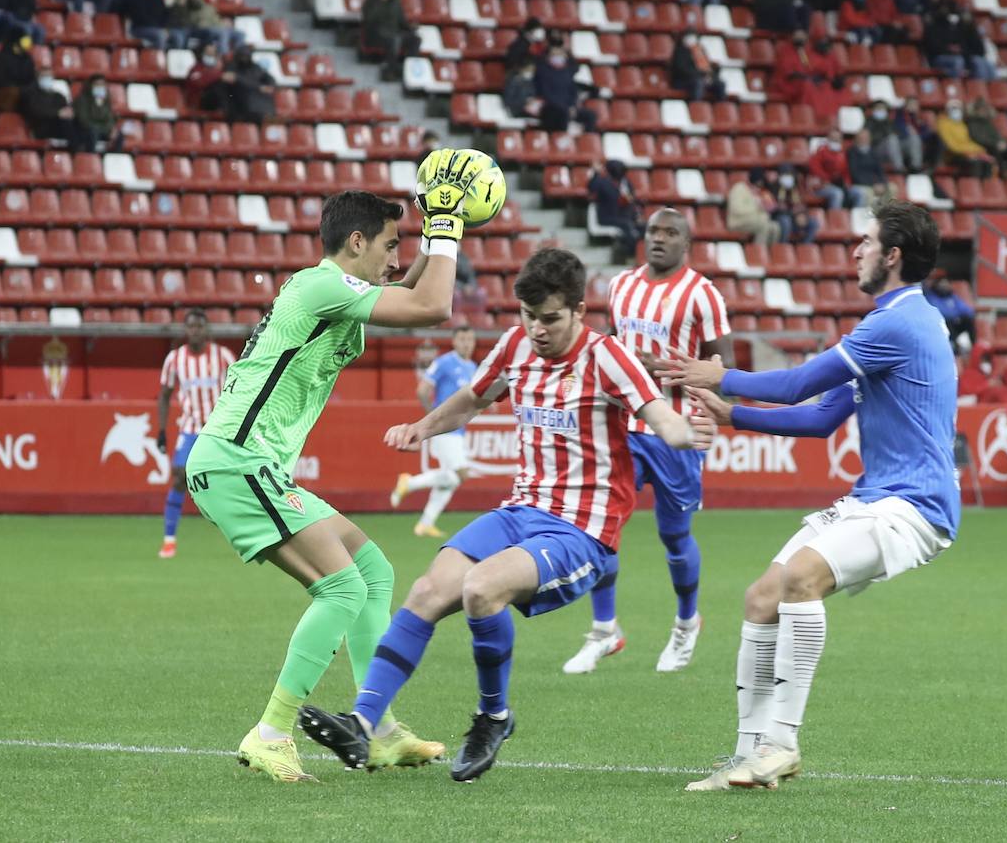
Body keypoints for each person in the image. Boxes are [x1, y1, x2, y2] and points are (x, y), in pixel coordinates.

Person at [298, 247, 716, 782]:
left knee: (479, 589)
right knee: (427, 591)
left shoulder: (608, 357)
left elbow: (661, 417)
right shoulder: (515, 346)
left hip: (580, 528)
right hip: (520, 510)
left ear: (579, 312)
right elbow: (472, 400)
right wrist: (419, 428)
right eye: (528, 316)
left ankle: (493, 717)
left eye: (550, 319)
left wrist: (690, 434)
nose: (537, 330)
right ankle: (362, 721)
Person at [662, 199, 959, 792]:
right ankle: (749, 756)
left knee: (800, 579)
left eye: (867, 242)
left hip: (914, 506)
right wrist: (734, 415)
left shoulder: (897, 323)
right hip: (876, 496)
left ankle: (781, 744)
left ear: (893, 256)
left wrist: (718, 375)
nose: (856, 250)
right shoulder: (896, 325)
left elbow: (800, 383)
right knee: (762, 597)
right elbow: (822, 417)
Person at [185, 169, 468, 781]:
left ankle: (379, 727)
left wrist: (446, 231)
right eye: (392, 245)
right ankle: (270, 732)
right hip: (238, 459)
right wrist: (443, 226)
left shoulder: (330, 289)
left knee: (373, 570)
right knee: (340, 587)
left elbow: (414, 285)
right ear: (358, 243)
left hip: (248, 463)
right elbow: (432, 305)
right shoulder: (322, 288)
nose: (399, 259)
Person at [563, 209, 732, 675]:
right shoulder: (622, 287)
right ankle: (604, 630)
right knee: (600, 528)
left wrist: (663, 372)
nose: (659, 239)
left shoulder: (703, 295)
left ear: (686, 244)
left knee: (674, 538)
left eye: (670, 233)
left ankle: (685, 622)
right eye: (653, 231)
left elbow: (724, 370)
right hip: (625, 428)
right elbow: (611, 351)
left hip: (677, 433)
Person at [154, 309, 235, 559]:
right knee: (180, 475)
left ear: (207, 329)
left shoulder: (222, 356)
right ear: (186, 330)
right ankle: (169, 539)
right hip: (189, 427)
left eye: (200, 326)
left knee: (232, 481)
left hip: (219, 428)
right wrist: (161, 430)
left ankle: (239, 534)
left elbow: (239, 388)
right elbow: (165, 395)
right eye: (191, 326)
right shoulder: (174, 359)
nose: (196, 331)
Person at [391, 325, 478, 538]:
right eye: (462, 339)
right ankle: (409, 482)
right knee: (461, 474)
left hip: (459, 429)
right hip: (445, 430)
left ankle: (425, 523)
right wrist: (433, 418)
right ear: (455, 341)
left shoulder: (473, 367)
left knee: (451, 479)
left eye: (470, 339)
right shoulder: (445, 362)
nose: (467, 343)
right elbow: (422, 389)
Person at [534, 38, 598, 133]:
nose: (558, 57)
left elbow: (573, 90)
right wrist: (565, 108)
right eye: (554, 55)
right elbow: (546, 94)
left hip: (568, 108)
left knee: (591, 115)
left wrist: (572, 106)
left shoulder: (567, 72)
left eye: (560, 54)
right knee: (562, 114)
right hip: (552, 109)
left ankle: (586, 142)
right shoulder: (543, 73)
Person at [20, 67, 91, 150]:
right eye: (44, 76)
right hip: (42, 127)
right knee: (65, 123)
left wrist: (69, 113)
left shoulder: (58, 96)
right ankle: (77, 148)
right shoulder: (32, 95)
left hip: (60, 127)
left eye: (49, 76)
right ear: (38, 78)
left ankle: (86, 151)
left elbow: (66, 109)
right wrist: (57, 113)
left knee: (80, 124)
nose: (47, 79)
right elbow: (36, 111)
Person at [360, 0, 418, 74]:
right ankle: (392, 68)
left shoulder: (395, 4)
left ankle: (409, 67)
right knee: (394, 39)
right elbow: (368, 20)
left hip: (393, 34)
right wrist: (379, 3)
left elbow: (402, 22)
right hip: (376, 36)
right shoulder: (371, 3)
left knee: (415, 39)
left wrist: (411, 28)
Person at [588, 160, 643, 264]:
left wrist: (636, 213)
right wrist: (595, 173)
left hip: (625, 216)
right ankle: (629, 255)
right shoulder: (602, 182)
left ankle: (642, 253)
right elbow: (591, 187)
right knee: (627, 225)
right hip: (607, 217)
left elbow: (633, 199)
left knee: (644, 226)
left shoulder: (626, 183)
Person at [808, 130, 866, 210]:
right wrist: (826, 180)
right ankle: (836, 220)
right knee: (837, 193)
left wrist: (847, 184)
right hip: (821, 186)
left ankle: (857, 218)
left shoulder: (842, 153)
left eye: (837, 139)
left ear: (841, 140)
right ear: (828, 139)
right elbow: (815, 169)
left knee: (859, 193)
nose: (835, 141)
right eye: (833, 138)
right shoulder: (820, 152)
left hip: (840, 185)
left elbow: (846, 172)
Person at [936, 99, 993, 179]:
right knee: (975, 164)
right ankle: (972, 187)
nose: (957, 111)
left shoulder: (961, 125)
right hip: (952, 155)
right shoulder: (942, 124)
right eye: (954, 109)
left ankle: (986, 188)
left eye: (959, 109)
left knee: (987, 163)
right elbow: (952, 146)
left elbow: (967, 142)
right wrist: (970, 153)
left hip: (967, 153)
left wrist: (980, 151)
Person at [727, 167, 780, 247]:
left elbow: (762, 211)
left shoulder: (759, 193)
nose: (758, 188)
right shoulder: (739, 189)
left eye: (760, 186)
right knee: (763, 226)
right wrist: (757, 207)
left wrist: (766, 208)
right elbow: (737, 209)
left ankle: (769, 254)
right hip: (737, 222)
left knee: (775, 227)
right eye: (756, 185)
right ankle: (758, 254)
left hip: (753, 221)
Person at [0, 32, 36, 113]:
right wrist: (18, 89)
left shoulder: (27, 58)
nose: (27, 43)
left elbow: (32, 78)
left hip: (21, 91)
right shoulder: (2, 56)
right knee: (13, 93)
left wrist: (24, 89)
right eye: (24, 40)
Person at [922, 270, 974, 351]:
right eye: (941, 282)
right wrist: (956, 316)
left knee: (968, 320)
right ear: (937, 284)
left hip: (957, 324)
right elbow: (941, 312)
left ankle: (973, 348)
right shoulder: (932, 297)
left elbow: (968, 311)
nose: (944, 285)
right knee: (947, 321)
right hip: (944, 325)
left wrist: (957, 317)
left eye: (946, 282)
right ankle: (955, 348)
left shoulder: (952, 296)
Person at [669, 31, 725, 103]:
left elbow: (708, 67)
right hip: (683, 81)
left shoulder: (700, 51)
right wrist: (701, 75)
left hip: (701, 78)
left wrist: (710, 77)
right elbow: (682, 70)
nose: (691, 40)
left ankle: (719, 107)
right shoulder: (679, 52)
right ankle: (696, 107)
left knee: (720, 84)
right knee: (698, 83)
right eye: (689, 37)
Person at [71, 73, 121, 152]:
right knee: (92, 133)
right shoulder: (82, 100)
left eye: (102, 85)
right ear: (90, 86)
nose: (100, 87)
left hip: (102, 130)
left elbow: (110, 118)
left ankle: (114, 158)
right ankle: (91, 159)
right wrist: (103, 128)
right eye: (97, 85)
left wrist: (111, 130)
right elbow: (84, 120)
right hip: (86, 131)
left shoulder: (106, 100)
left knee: (118, 135)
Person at [965, 97, 1007, 178]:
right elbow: (976, 137)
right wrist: (995, 143)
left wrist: (1001, 142)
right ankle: (1002, 172)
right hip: (982, 145)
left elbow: (997, 134)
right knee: (995, 150)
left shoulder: (988, 123)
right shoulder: (972, 123)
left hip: (993, 144)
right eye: (981, 109)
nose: (983, 111)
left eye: (984, 109)